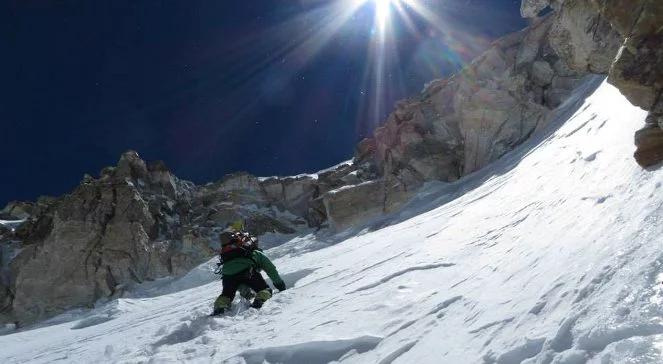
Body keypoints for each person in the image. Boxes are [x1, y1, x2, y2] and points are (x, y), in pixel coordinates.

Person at [212, 231, 287, 316]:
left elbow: (239, 280)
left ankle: (219, 307)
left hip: (227, 276)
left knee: (226, 295)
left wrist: (247, 295)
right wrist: (280, 285)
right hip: (247, 272)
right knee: (265, 290)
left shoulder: (229, 255)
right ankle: (259, 301)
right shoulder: (255, 254)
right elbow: (271, 270)